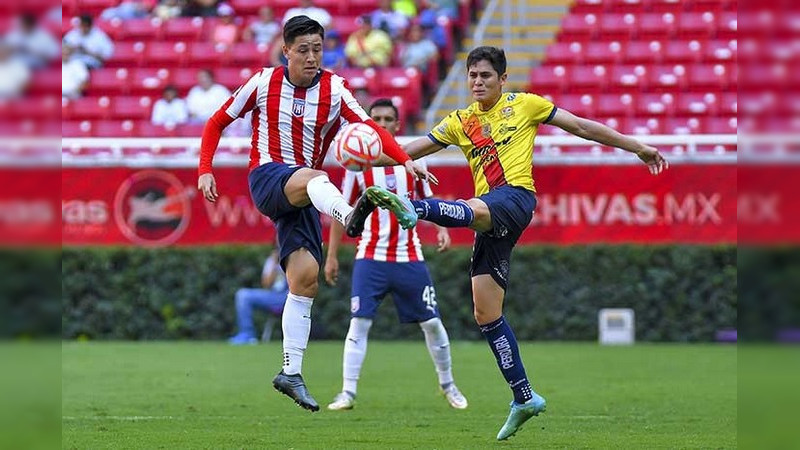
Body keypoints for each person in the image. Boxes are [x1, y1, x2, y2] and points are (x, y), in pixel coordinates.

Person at [364, 46, 669, 440]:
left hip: (515, 198)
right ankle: (524, 397)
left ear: (502, 80)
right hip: (490, 216)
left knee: (472, 208)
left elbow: (580, 126)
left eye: (486, 76)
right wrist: (369, 155)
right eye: (472, 75)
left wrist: (636, 146)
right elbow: (408, 150)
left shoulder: (525, 105)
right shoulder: (459, 121)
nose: (477, 82)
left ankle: (414, 209)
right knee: (485, 311)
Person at [196, 15, 433, 412]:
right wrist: (205, 168)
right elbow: (217, 122)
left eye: (317, 49)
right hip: (270, 178)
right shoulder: (262, 83)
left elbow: (372, 130)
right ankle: (349, 216)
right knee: (315, 176)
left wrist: (406, 160)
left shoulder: (335, 89)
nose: (311, 57)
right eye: (302, 50)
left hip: (306, 195)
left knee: (305, 281)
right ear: (286, 50)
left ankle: (291, 372)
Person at [325, 99, 467, 411]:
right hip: (370, 258)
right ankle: (347, 393)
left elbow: (429, 204)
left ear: (397, 125)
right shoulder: (356, 165)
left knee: (432, 324)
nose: (382, 123)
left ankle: (448, 384)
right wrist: (332, 255)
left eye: (388, 119)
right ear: (368, 122)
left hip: (409, 258)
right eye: (376, 118)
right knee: (359, 324)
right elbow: (340, 214)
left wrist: (443, 229)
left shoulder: (414, 163)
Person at [229, 246, 289, 345]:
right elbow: (266, 284)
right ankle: (247, 335)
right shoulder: (271, 260)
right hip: (273, 295)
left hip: (289, 296)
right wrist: (275, 263)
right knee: (243, 295)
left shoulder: (294, 258)